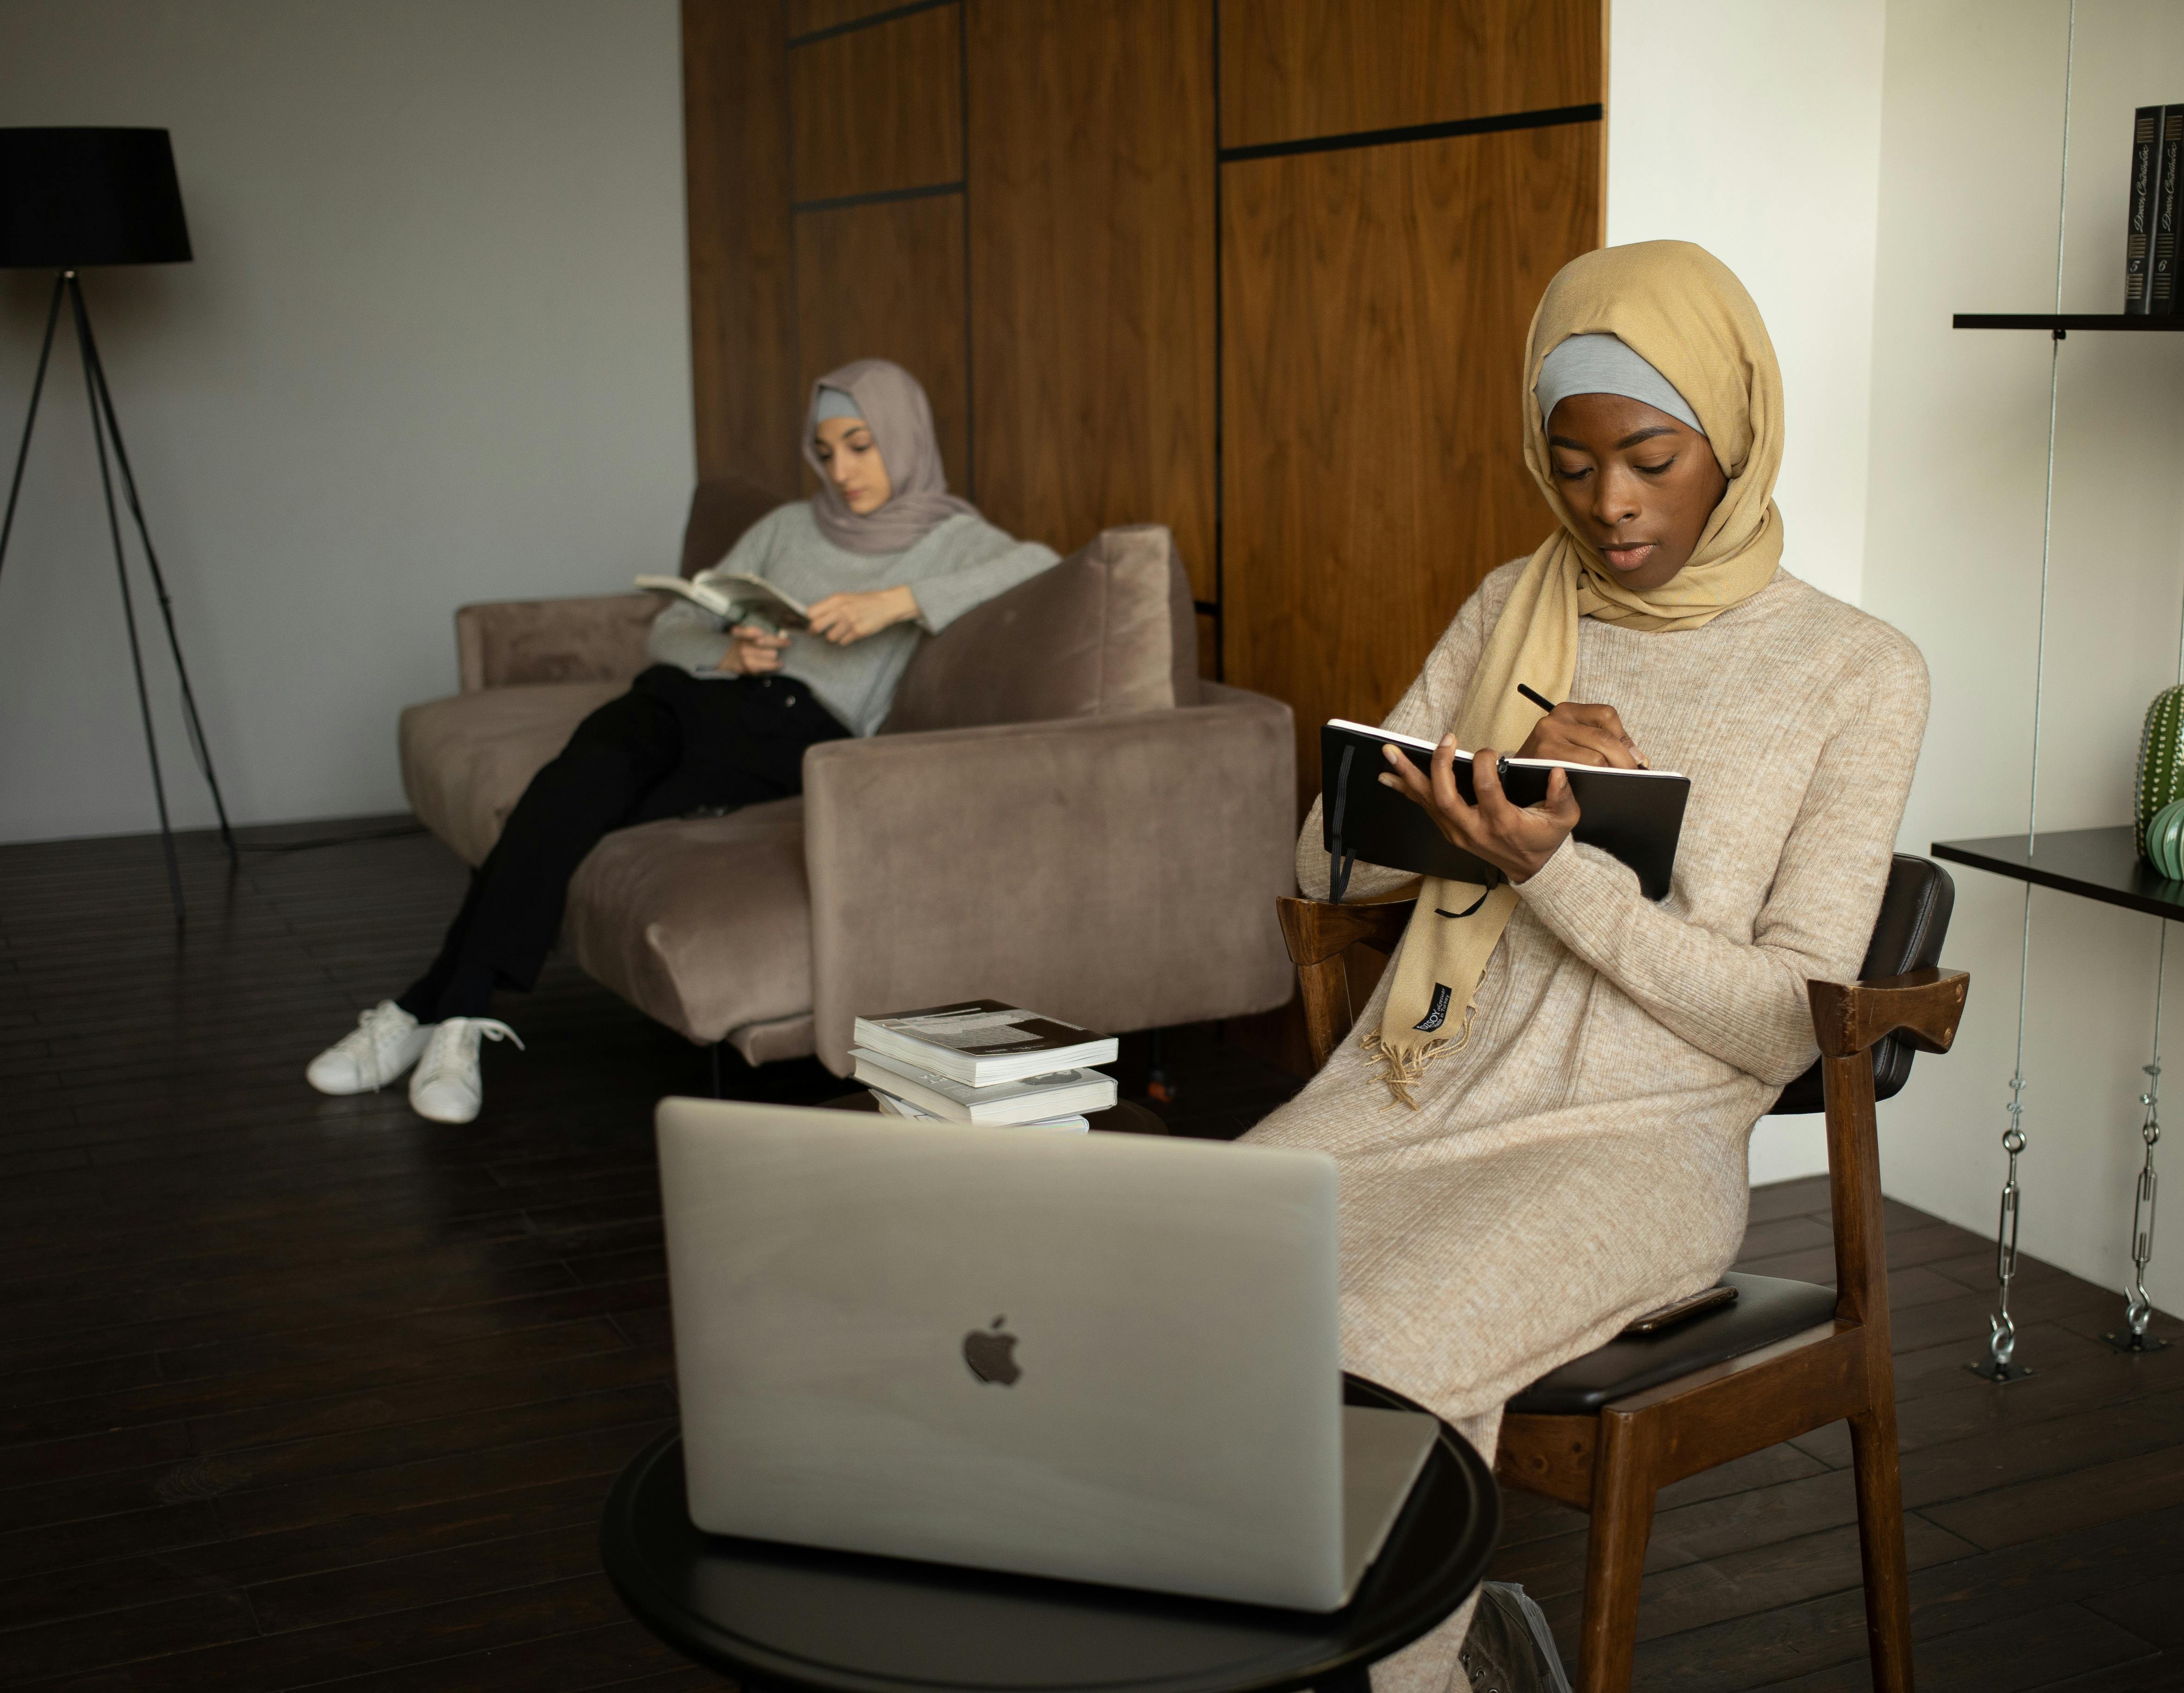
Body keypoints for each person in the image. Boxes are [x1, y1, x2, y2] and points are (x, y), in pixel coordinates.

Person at [1245, 242, 1928, 1691]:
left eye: (1651, 458)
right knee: (1168, 1281)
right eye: (1570, 466)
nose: (1608, 505)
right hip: (1404, 1100)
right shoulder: (1513, 607)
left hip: (1639, 1142)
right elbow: (1322, 864)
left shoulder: (1858, 672)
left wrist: (1557, 869)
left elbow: (1786, 1027)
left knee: (1372, 1342)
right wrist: (1486, 785)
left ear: (1731, 439)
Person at [305, 359, 1058, 1124]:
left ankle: (418, 1015)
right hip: (688, 695)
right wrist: (727, 652)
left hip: (795, 728)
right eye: (826, 452)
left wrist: (895, 603)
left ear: (905, 434)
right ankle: (455, 1023)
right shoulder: (788, 527)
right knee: (571, 787)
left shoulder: (955, 539)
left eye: (862, 446)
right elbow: (671, 626)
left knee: (564, 815)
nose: (843, 471)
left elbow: (1043, 567)